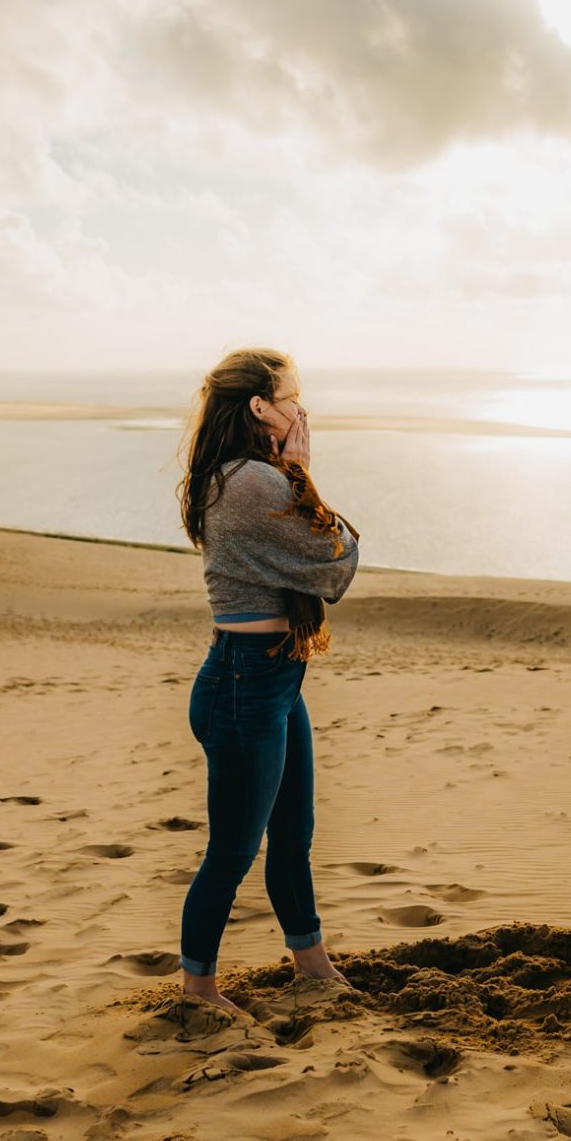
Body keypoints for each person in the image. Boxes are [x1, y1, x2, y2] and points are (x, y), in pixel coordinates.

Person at [174, 348, 359, 1013]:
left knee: (294, 834)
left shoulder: (254, 474)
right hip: (243, 685)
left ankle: (310, 962)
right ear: (260, 407)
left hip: (274, 679)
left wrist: (294, 473)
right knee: (233, 850)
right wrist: (303, 473)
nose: (303, 410)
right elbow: (335, 562)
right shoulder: (255, 483)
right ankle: (198, 989)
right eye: (293, 396)